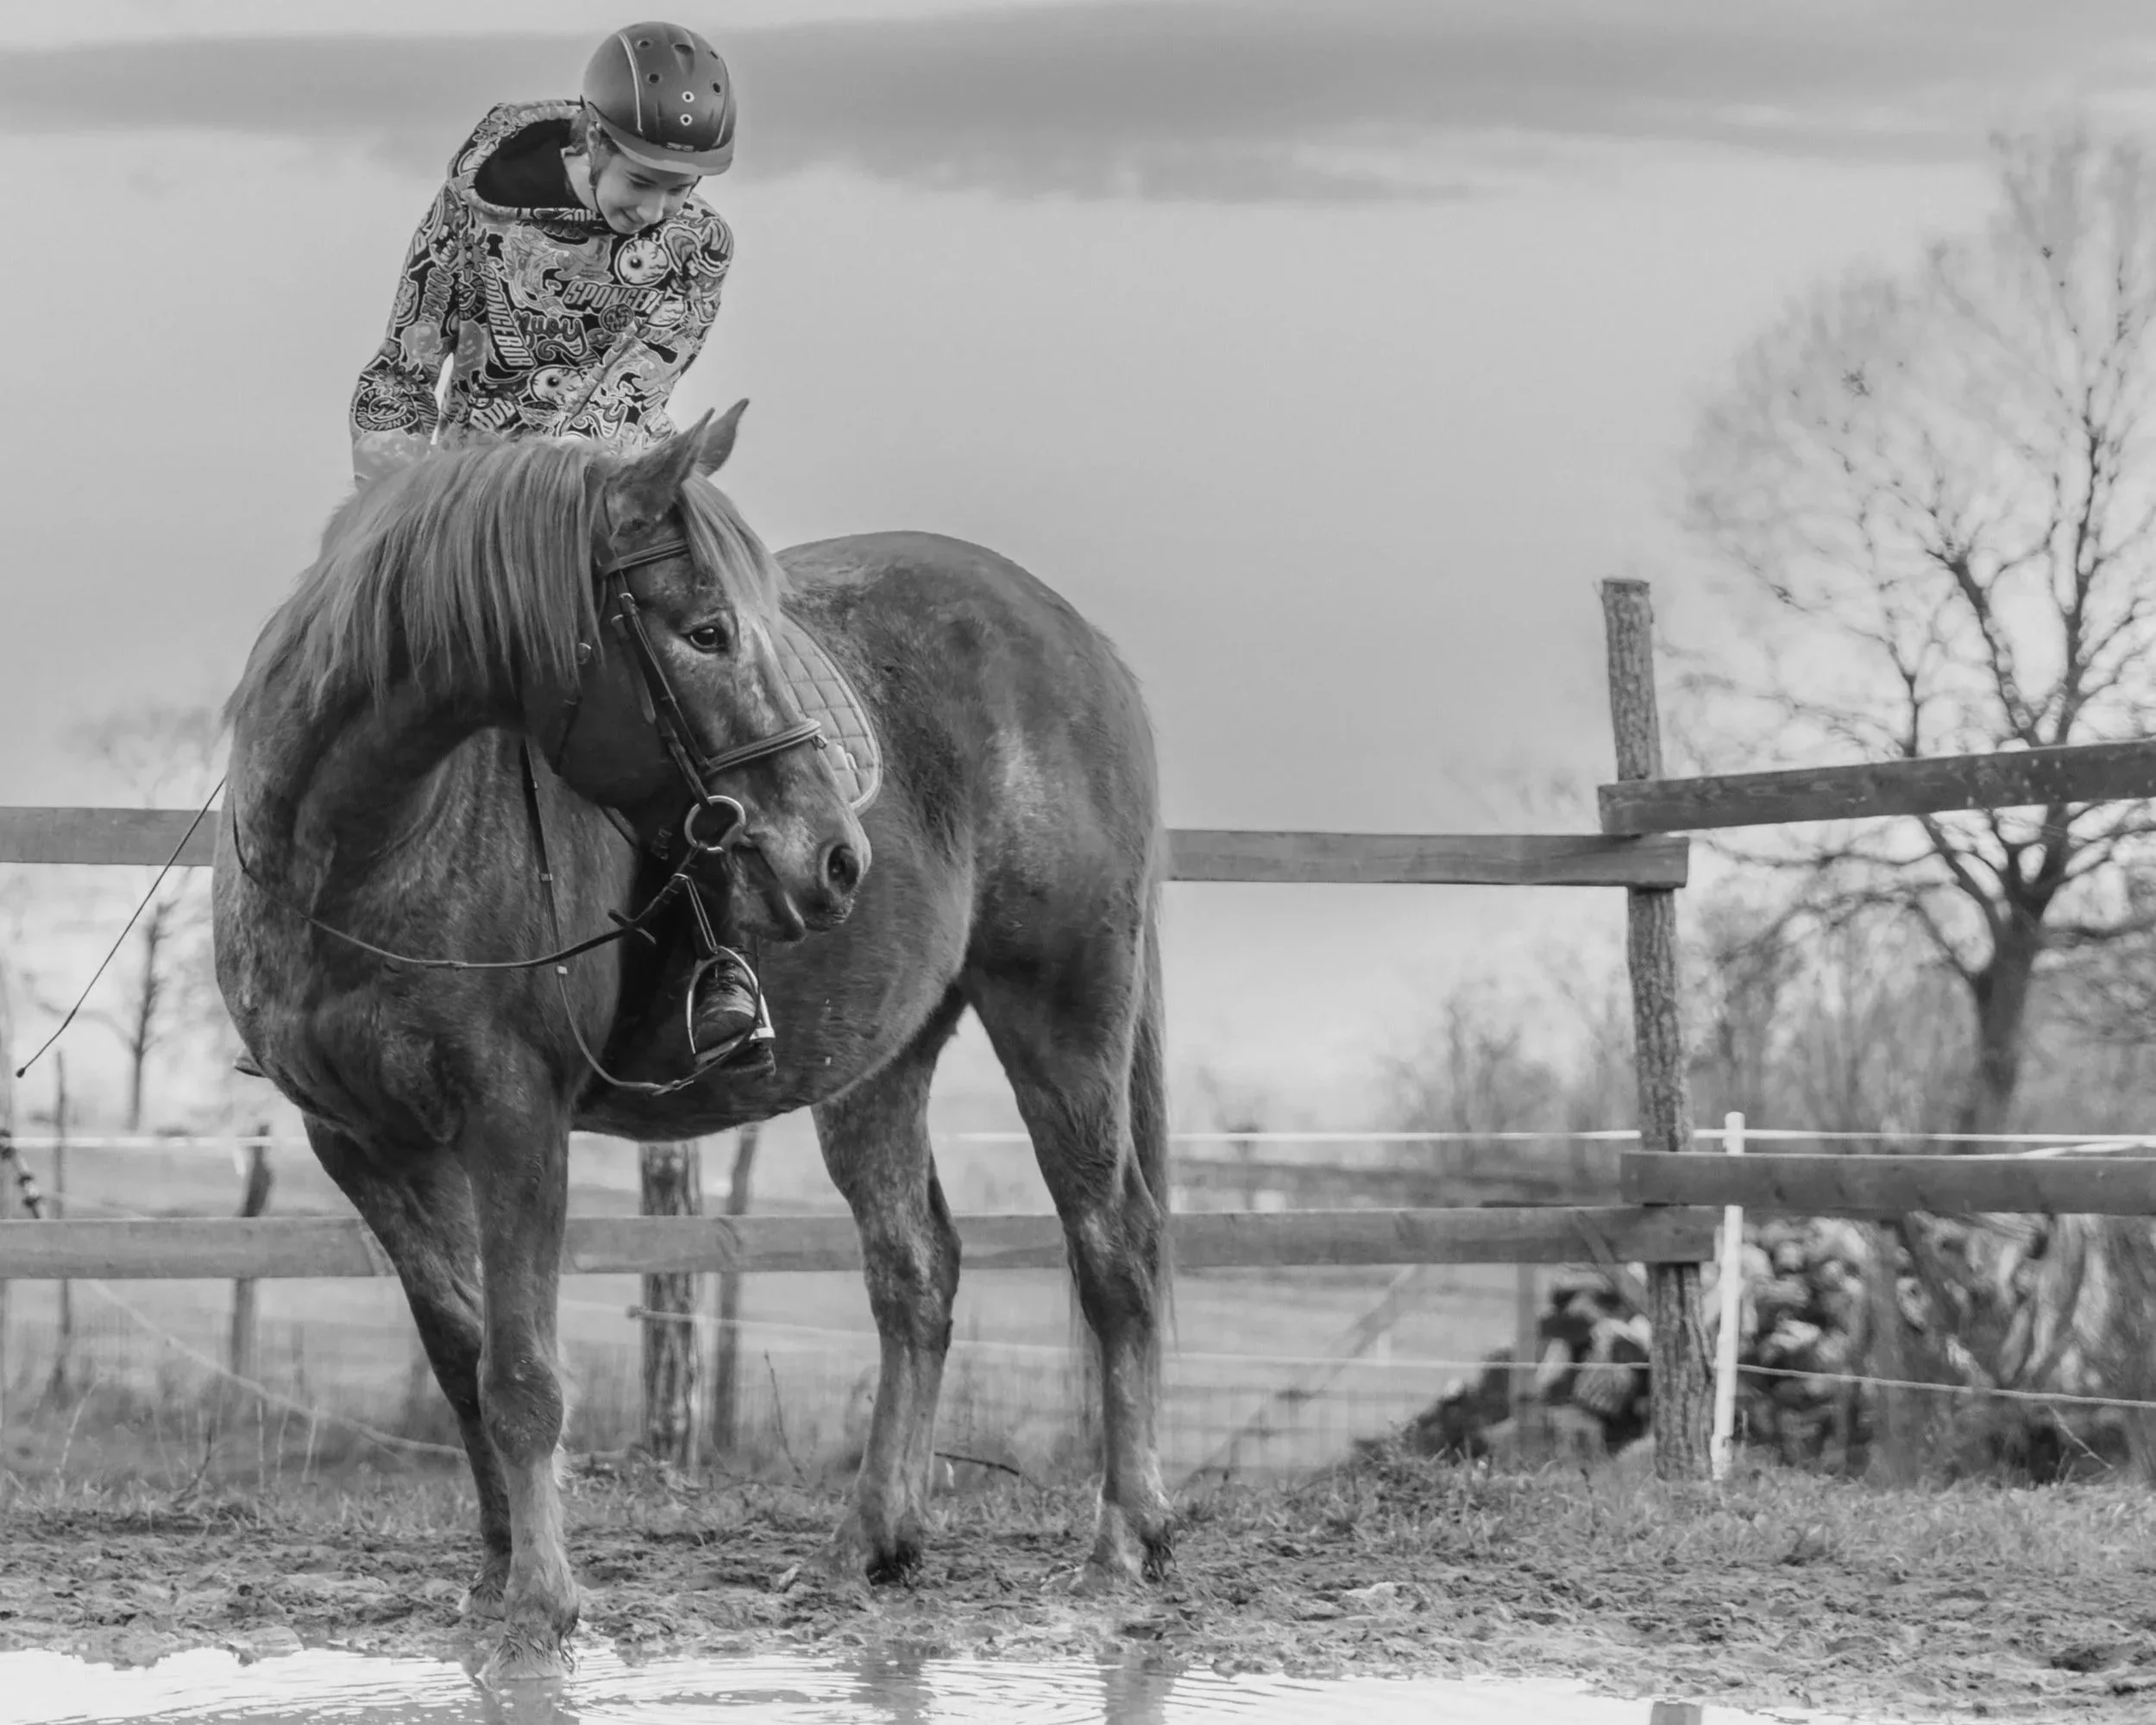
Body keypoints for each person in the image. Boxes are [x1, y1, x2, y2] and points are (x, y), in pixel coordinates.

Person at [346, 21, 768, 1079]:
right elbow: (404, 365)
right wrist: (398, 501)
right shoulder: (478, 196)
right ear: (591, 138)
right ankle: (305, 946)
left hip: (603, 504)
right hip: (456, 513)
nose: (659, 208)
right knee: (337, 678)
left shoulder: (698, 250)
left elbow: (618, 406)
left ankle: (718, 955)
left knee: (700, 683)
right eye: (643, 180)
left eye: (681, 186)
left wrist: (547, 518)